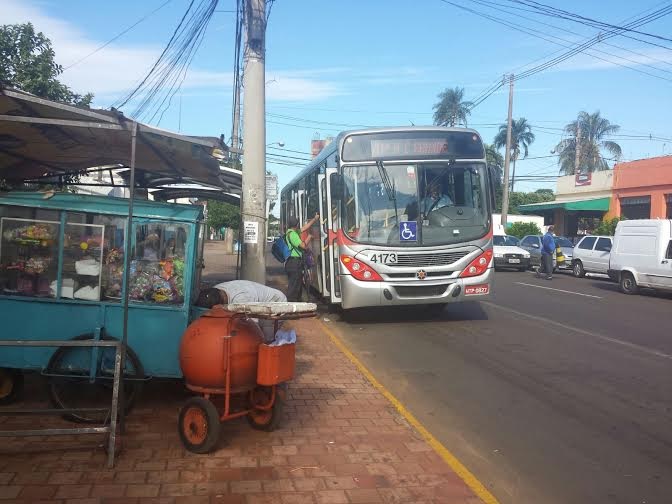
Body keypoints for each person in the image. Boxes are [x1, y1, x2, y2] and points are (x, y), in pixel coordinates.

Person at [196, 280, 287, 342]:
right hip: (258, 302)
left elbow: (253, 324)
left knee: (263, 340)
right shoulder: (216, 290)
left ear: (220, 304)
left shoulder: (241, 299)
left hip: (275, 303)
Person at [285, 214, 319, 301]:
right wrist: (309, 237)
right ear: (296, 225)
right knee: (293, 287)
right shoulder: (293, 235)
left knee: (297, 285)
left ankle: (297, 304)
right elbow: (303, 246)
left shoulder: (290, 232)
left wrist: (314, 219)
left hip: (292, 263)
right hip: (294, 263)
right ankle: (291, 306)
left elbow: (305, 228)